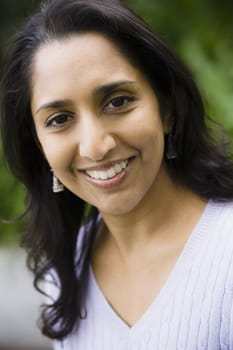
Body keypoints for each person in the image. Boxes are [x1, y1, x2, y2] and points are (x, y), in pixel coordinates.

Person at [1, 0, 233, 349]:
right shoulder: (65, 274)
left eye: (118, 101)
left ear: (166, 108)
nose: (96, 146)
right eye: (59, 119)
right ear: (38, 144)